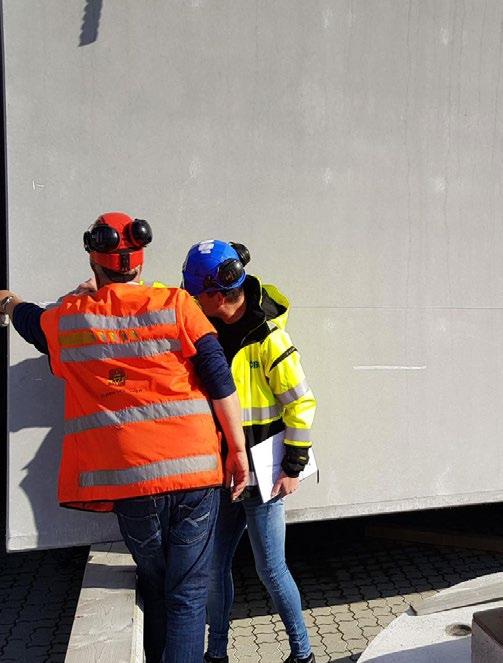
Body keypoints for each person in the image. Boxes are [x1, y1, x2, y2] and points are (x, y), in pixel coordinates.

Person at [0, 215, 249, 663]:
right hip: (196, 475)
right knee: (189, 595)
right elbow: (218, 376)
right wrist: (237, 451)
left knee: (154, 583)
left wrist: (12, 302)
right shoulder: (176, 304)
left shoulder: (73, 318)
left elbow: (36, 326)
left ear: (95, 263)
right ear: (140, 261)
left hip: (133, 484)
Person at [181, 239, 317, 663]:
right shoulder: (207, 331)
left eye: (195, 294)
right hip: (220, 474)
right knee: (212, 570)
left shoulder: (269, 339)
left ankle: (303, 653)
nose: (189, 300)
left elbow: (301, 402)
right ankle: (216, 654)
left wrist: (293, 466)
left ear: (217, 296)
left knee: (271, 571)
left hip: (264, 476)